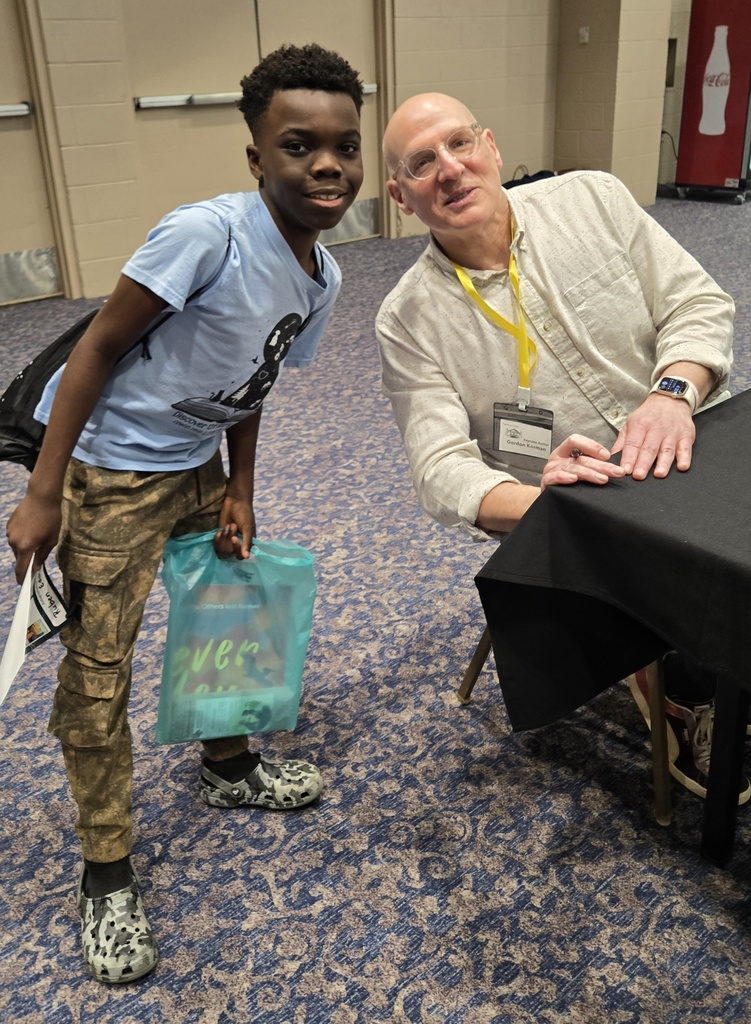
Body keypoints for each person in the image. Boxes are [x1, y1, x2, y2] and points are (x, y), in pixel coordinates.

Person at [5, 43, 364, 984]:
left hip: (197, 464)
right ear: (256, 158)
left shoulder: (323, 276)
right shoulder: (204, 234)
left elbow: (256, 383)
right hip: (112, 471)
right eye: (298, 145)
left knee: (226, 610)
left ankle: (228, 761)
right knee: (98, 673)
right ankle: (107, 869)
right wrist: (44, 492)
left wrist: (239, 485)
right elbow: (97, 349)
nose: (326, 165)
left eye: (344, 146)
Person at [375, 93, 743, 807]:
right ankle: (685, 697)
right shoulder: (407, 320)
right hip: (577, 501)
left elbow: (696, 305)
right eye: (422, 164)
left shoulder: (592, 200)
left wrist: (670, 393)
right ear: (400, 196)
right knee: (689, 586)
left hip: (687, 435)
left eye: (459, 145)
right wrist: (553, 504)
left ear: (491, 147)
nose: (449, 170)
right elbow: (440, 469)